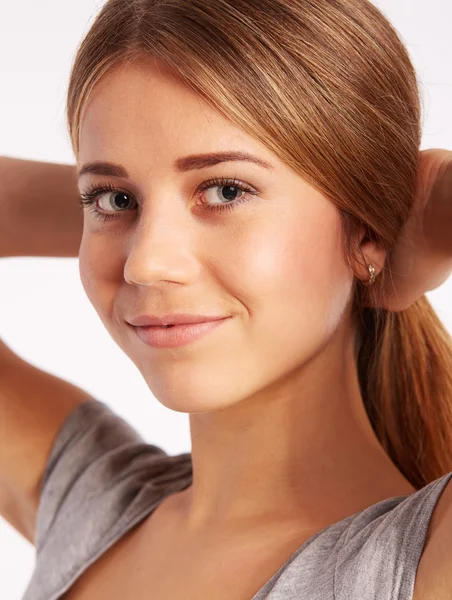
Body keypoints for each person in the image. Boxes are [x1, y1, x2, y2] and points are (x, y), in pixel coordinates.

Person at [0, 0, 451, 598]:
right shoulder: (89, 511)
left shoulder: (419, 565)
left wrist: (423, 208)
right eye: (113, 201)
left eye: (226, 189)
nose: (146, 262)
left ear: (366, 228)